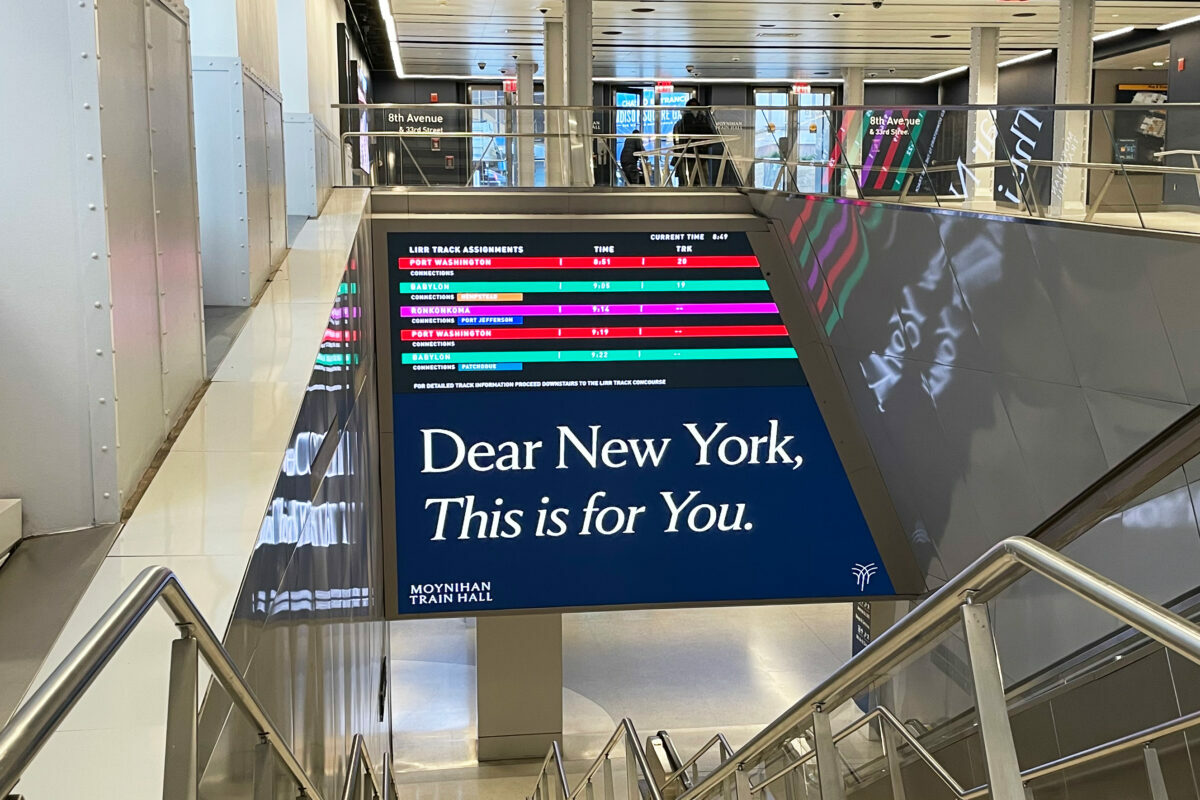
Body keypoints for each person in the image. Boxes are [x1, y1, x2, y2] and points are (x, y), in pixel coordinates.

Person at [671, 99, 719, 186]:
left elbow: (677, 141)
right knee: (700, 181)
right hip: (694, 156)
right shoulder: (702, 121)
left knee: (691, 182)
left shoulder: (681, 123)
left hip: (691, 156)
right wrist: (702, 144)